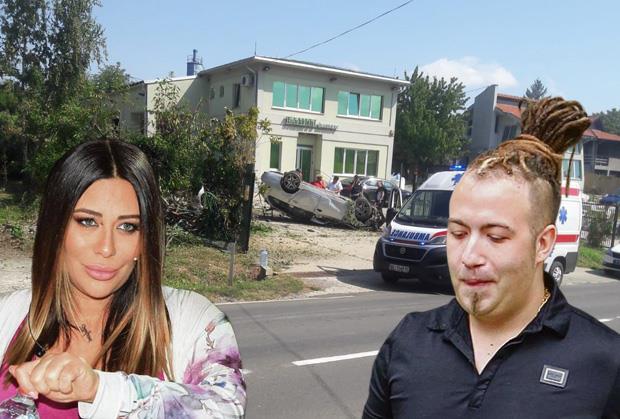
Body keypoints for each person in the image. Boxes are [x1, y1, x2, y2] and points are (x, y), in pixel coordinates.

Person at [363, 97, 620, 418]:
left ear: (543, 243)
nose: (469, 257)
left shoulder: (606, 365)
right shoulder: (408, 341)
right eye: (458, 233)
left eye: (495, 236)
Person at [0, 140, 246, 417]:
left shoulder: (192, 319)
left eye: (127, 227)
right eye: (88, 222)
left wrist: (100, 391)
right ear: (56, 228)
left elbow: (227, 407)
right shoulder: (7, 318)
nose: (107, 248)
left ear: (145, 240)